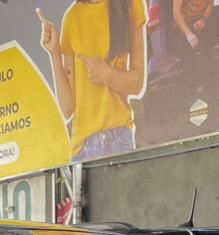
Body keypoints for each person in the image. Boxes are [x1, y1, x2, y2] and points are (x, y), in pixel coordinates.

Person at [38, 1, 148, 162]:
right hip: (83, 149)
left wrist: (107, 75)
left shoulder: (130, 3)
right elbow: (68, 108)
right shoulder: (71, 18)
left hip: (120, 139)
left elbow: (138, 84)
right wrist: (54, 53)